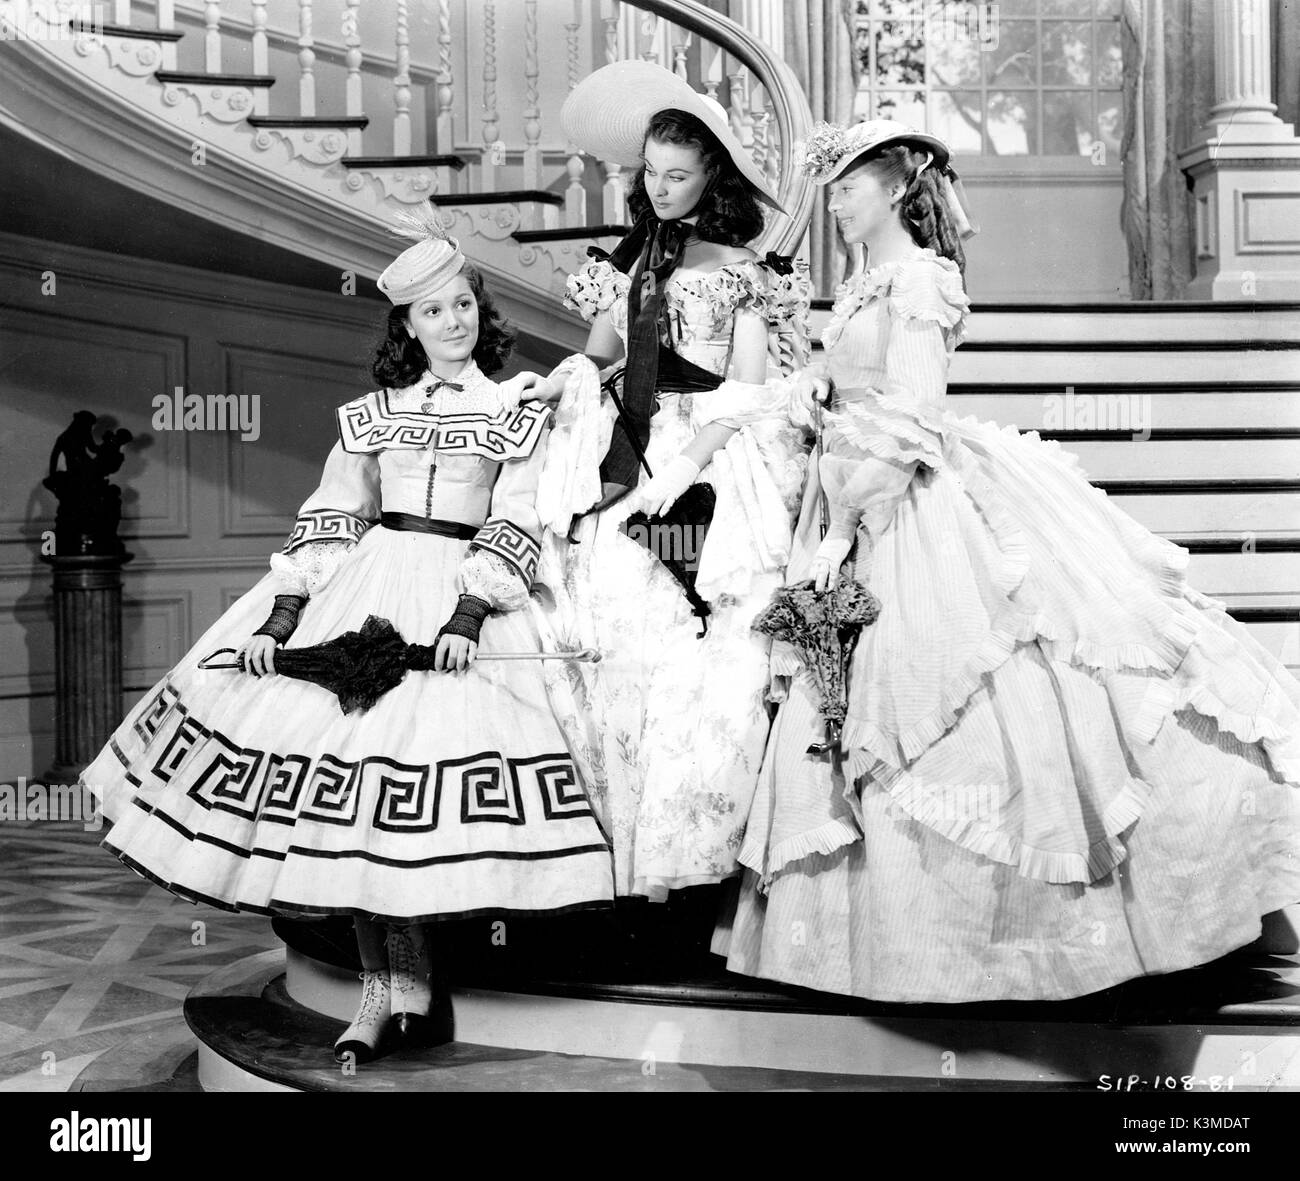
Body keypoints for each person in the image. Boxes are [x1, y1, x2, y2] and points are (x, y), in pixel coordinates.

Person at [716, 119, 1300, 1002]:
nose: (834, 203)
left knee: (974, 683)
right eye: (833, 188)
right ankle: (876, 944)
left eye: (847, 188)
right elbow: (850, 385)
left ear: (895, 191)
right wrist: (812, 404)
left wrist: (848, 511)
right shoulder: (866, 282)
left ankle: (1045, 940)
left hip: (902, 499)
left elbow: (912, 410)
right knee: (841, 703)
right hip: (842, 492)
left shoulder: (923, 279)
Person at [80, 217, 615, 1060]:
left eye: (463, 304)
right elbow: (332, 518)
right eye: (433, 312)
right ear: (407, 326)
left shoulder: (515, 407)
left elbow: (517, 516)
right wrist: (285, 616)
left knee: (404, 787)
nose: (453, 321)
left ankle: (416, 982)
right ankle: (378, 988)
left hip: (458, 597)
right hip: (363, 592)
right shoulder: (372, 417)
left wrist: (469, 615)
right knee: (349, 788)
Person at [504, 61, 812, 902]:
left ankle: (691, 860)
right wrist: (554, 380)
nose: (663, 188)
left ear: (712, 175)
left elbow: (748, 393)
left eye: (679, 175)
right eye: (652, 174)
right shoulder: (634, 257)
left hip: (705, 454)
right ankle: (610, 854)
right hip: (625, 447)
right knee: (609, 637)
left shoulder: (744, 271)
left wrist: (680, 468)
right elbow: (601, 355)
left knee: (696, 649)